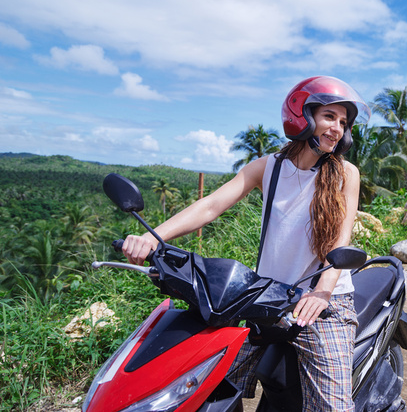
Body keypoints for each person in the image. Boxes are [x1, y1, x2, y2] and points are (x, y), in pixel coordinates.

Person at [120, 75, 371, 411]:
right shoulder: (269, 167)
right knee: (206, 385)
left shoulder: (346, 174)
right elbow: (210, 205)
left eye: (343, 122)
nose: (337, 128)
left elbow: (341, 239)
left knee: (333, 408)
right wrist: (154, 238)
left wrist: (322, 291)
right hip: (267, 299)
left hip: (325, 304)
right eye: (329, 117)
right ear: (303, 115)